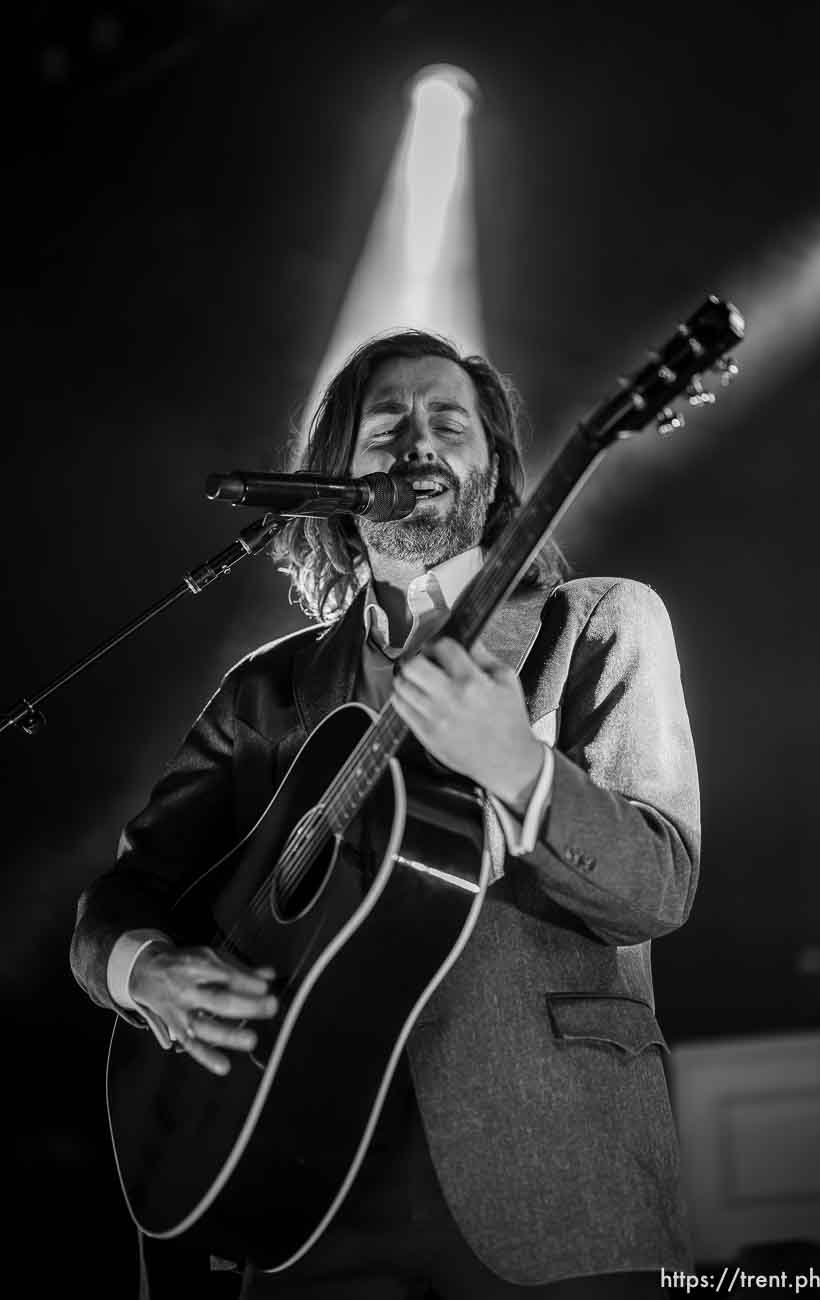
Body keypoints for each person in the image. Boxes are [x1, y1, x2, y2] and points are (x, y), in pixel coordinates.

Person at [71, 330, 701, 1299]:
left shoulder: (601, 621)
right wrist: (141, 967)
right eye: (386, 427)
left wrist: (517, 766)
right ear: (335, 478)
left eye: (448, 423)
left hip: (556, 1185)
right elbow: (119, 899)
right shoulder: (266, 692)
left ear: (492, 475)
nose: (417, 443)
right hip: (300, 1194)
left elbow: (657, 886)